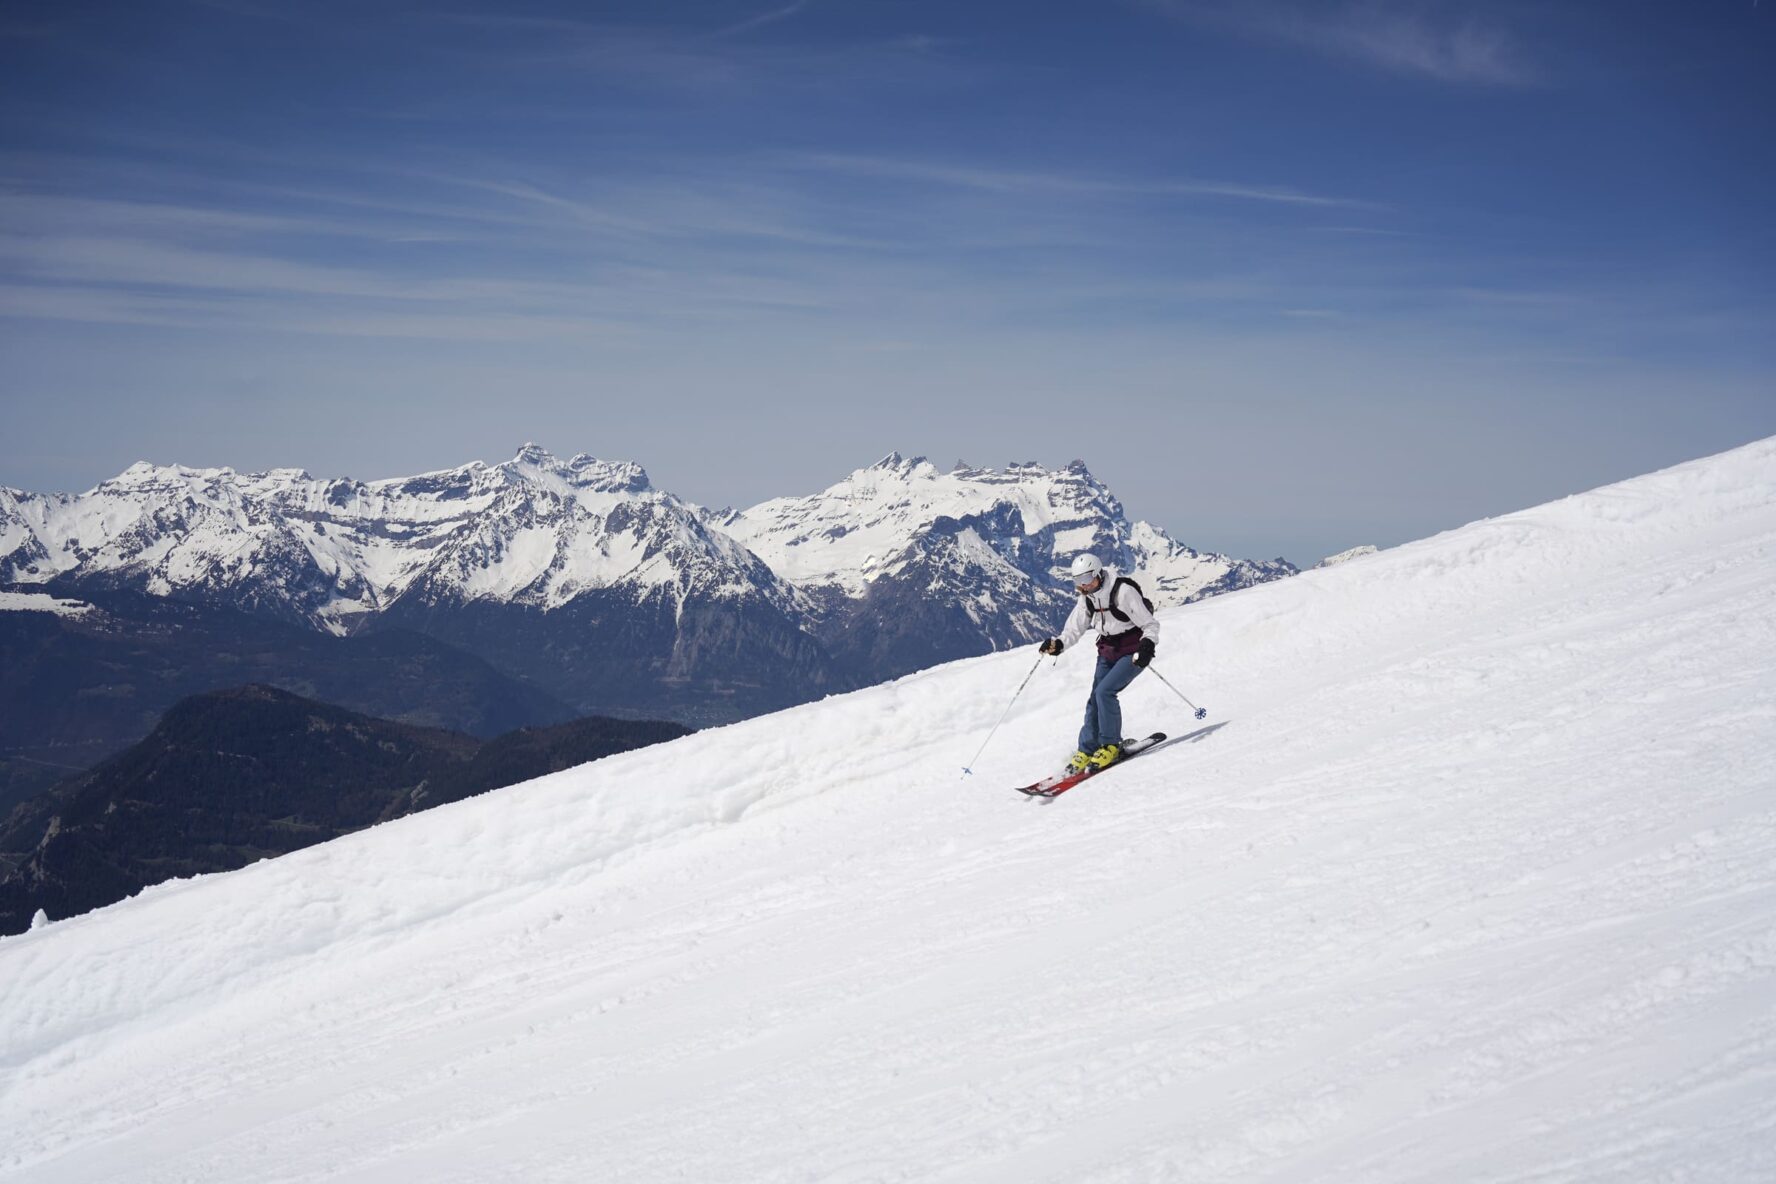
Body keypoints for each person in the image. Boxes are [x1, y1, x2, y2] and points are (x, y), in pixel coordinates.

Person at [1038, 553, 1160, 773]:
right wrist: (1058, 644)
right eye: (1077, 581)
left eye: (1086, 578)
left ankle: (1111, 745)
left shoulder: (1123, 592)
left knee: (1105, 692)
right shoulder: (1087, 597)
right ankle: (1086, 750)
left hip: (1133, 651)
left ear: (1097, 573)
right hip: (1107, 650)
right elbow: (1074, 629)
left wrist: (1147, 646)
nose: (1083, 585)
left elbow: (1150, 624)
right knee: (1095, 698)